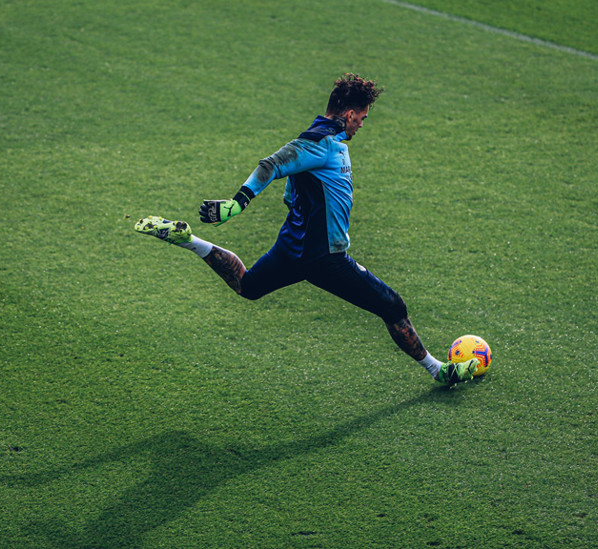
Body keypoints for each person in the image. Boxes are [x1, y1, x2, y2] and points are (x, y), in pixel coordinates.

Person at [133, 73, 479, 385]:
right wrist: (236, 203)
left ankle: (188, 240)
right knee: (393, 306)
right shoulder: (319, 144)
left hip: (292, 249)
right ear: (348, 115)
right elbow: (271, 164)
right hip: (325, 258)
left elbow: (291, 192)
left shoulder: (328, 142)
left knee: (248, 285)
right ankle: (440, 371)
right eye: (362, 118)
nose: (362, 125)